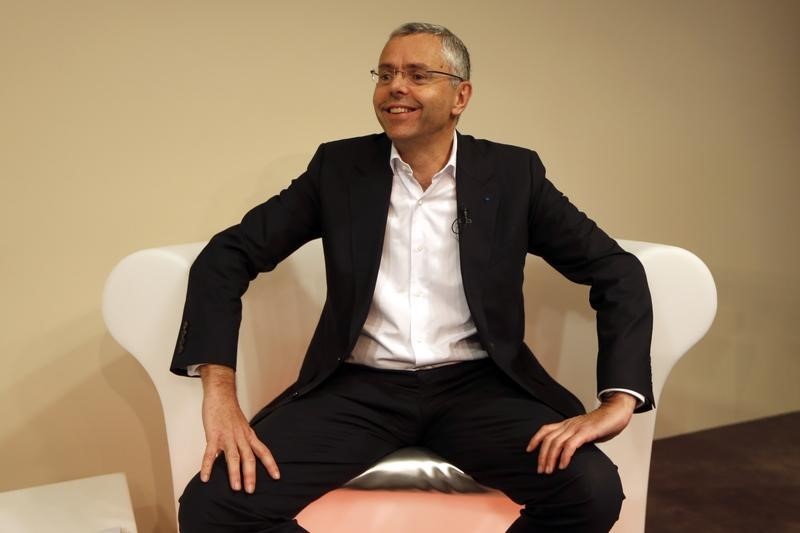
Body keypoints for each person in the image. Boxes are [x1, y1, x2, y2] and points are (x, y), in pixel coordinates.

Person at [171, 22, 653, 533]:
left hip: (479, 387)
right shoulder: (338, 168)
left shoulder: (514, 175)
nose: (395, 86)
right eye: (386, 74)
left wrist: (618, 400)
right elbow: (227, 255)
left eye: (418, 74)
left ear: (460, 95)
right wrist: (219, 392)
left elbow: (615, 270)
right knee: (214, 505)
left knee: (591, 490)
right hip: (357, 388)